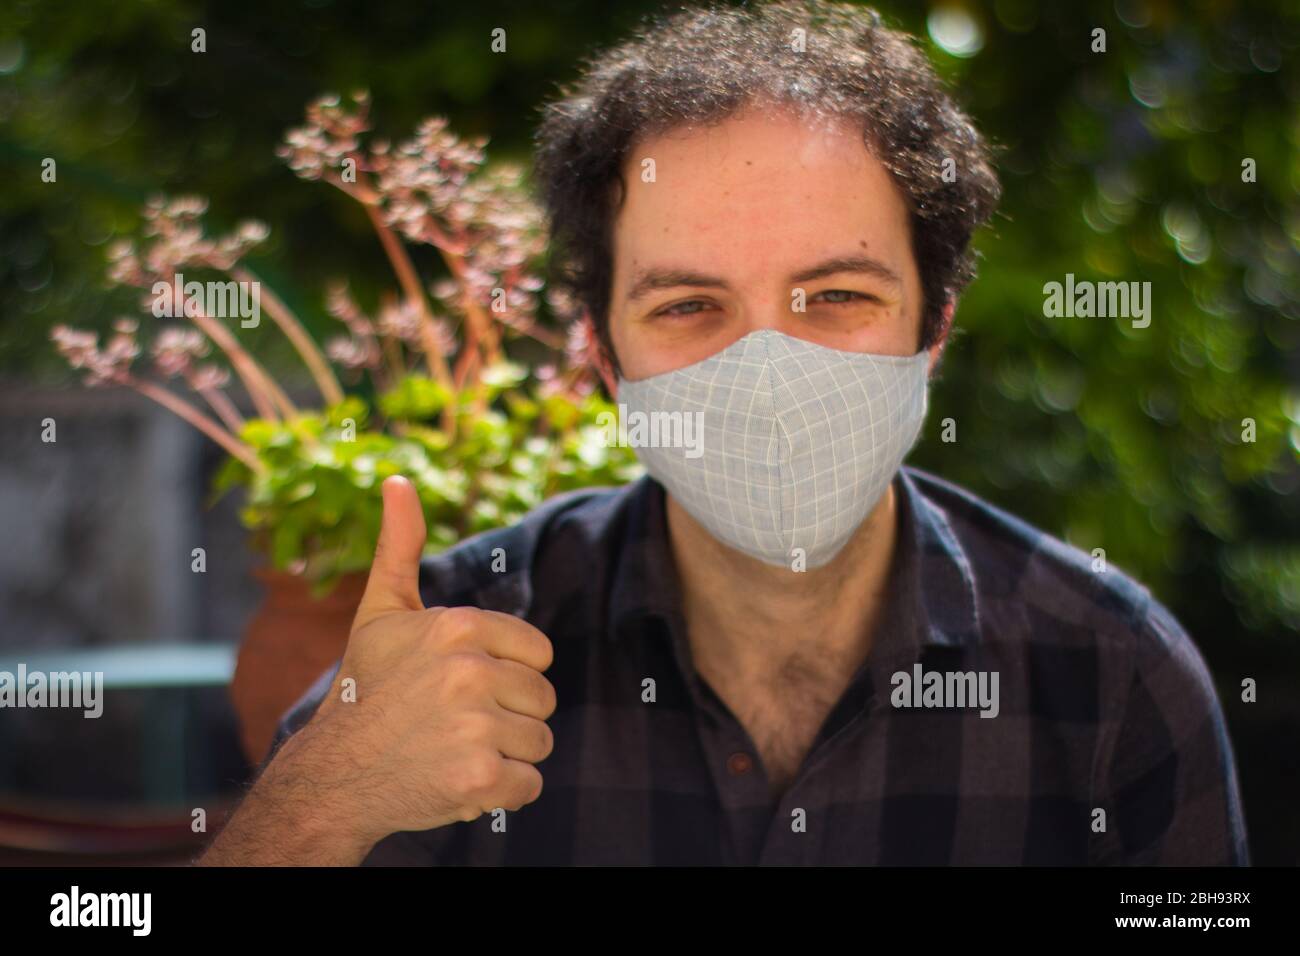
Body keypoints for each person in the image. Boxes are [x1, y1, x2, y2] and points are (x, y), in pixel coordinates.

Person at [198, 0, 1248, 866]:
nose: (768, 370)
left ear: (933, 328)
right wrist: (326, 798)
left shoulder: (1111, 676)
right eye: (688, 305)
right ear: (605, 359)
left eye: (834, 293)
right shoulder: (448, 654)